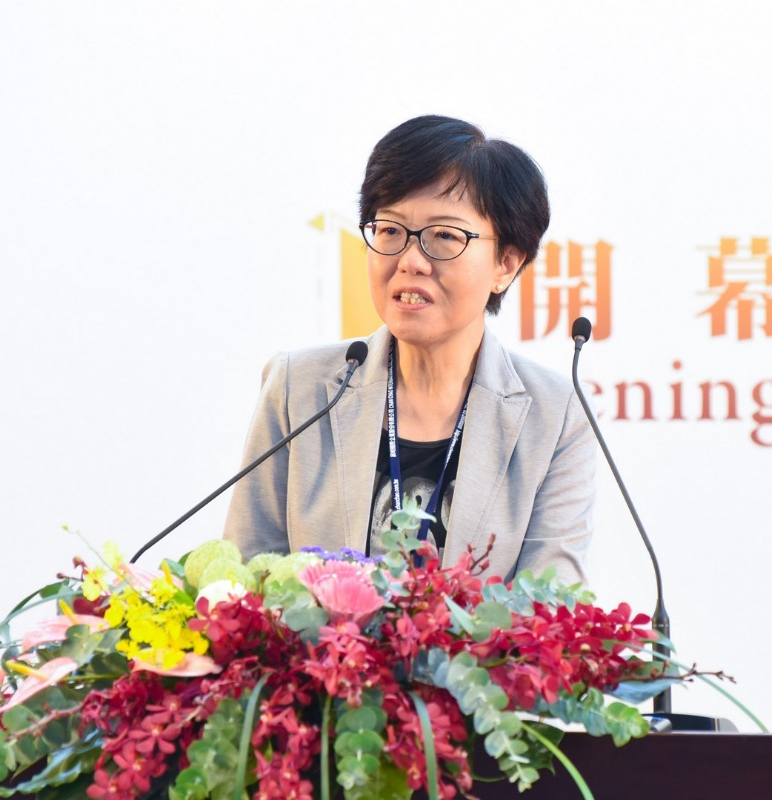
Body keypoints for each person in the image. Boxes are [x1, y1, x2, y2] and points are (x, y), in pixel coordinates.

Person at [224, 115, 596, 584]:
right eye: (390, 230)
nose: (411, 260)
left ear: (505, 263)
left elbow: (552, 605)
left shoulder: (555, 415)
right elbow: (246, 578)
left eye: (445, 236)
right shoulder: (298, 388)